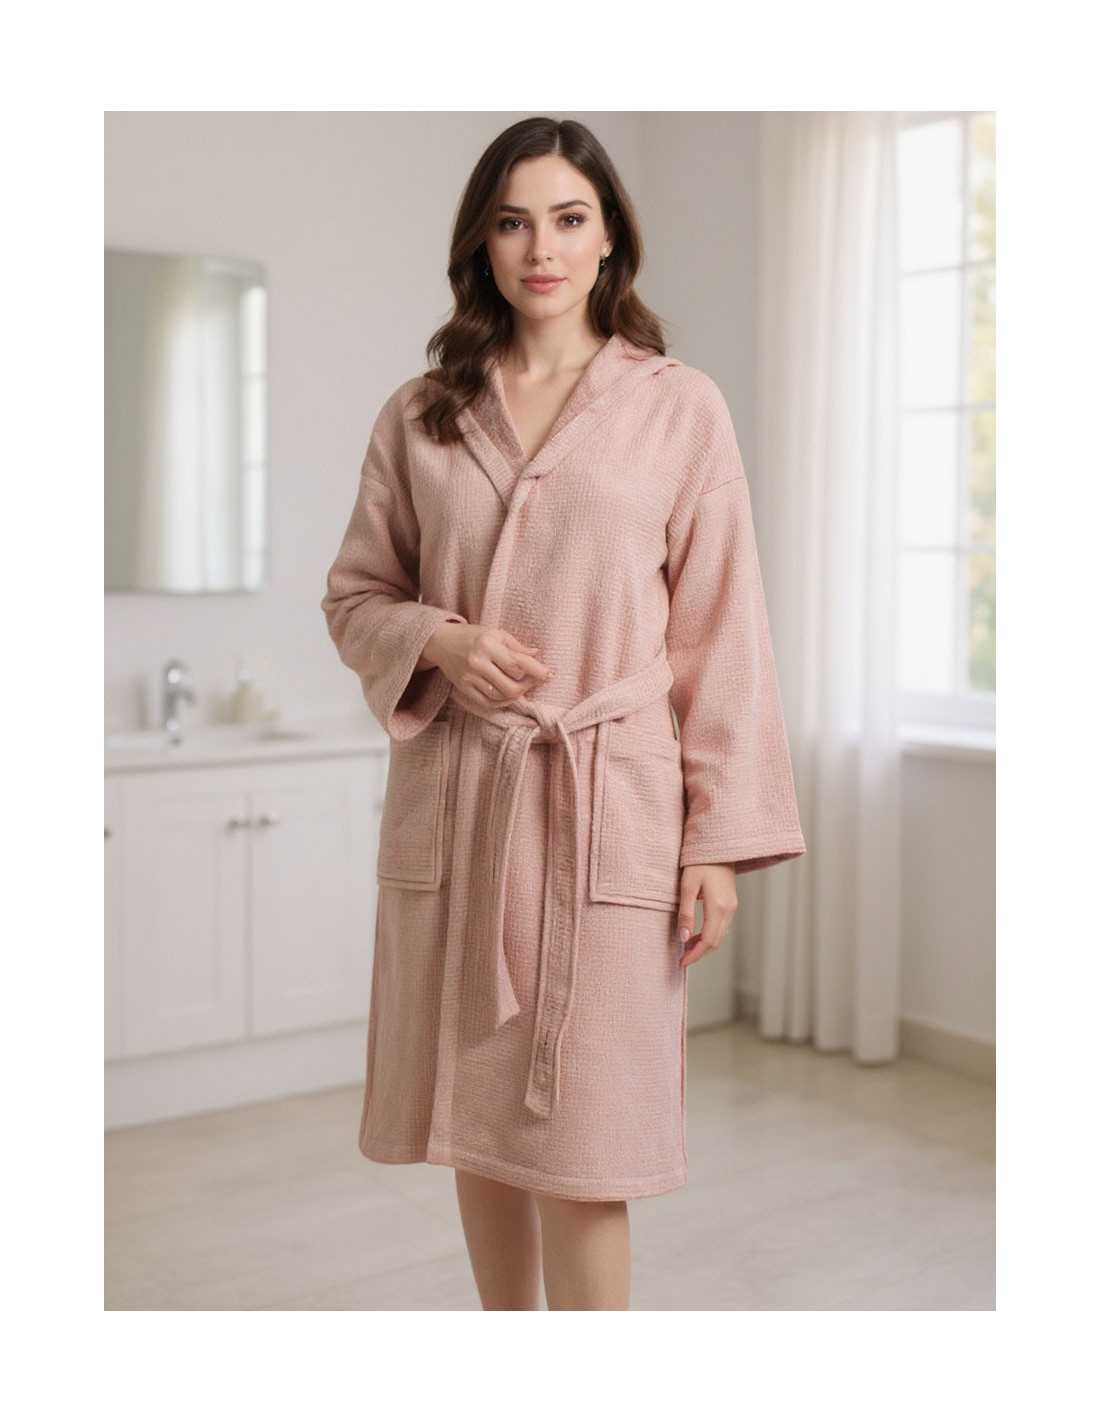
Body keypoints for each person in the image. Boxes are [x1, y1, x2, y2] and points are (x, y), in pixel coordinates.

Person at [321, 116, 806, 1310]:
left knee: (589, 1149)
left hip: (605, 812)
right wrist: (439, 640)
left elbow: (720, 634)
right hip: (463, 806)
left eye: (567, 218)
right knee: (473, 1129)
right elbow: (355, 597)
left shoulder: (678, 409)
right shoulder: (422, 414)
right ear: (480, 245)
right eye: (512, 221)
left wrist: (715, 844)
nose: (540, 248)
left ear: (607, 240)